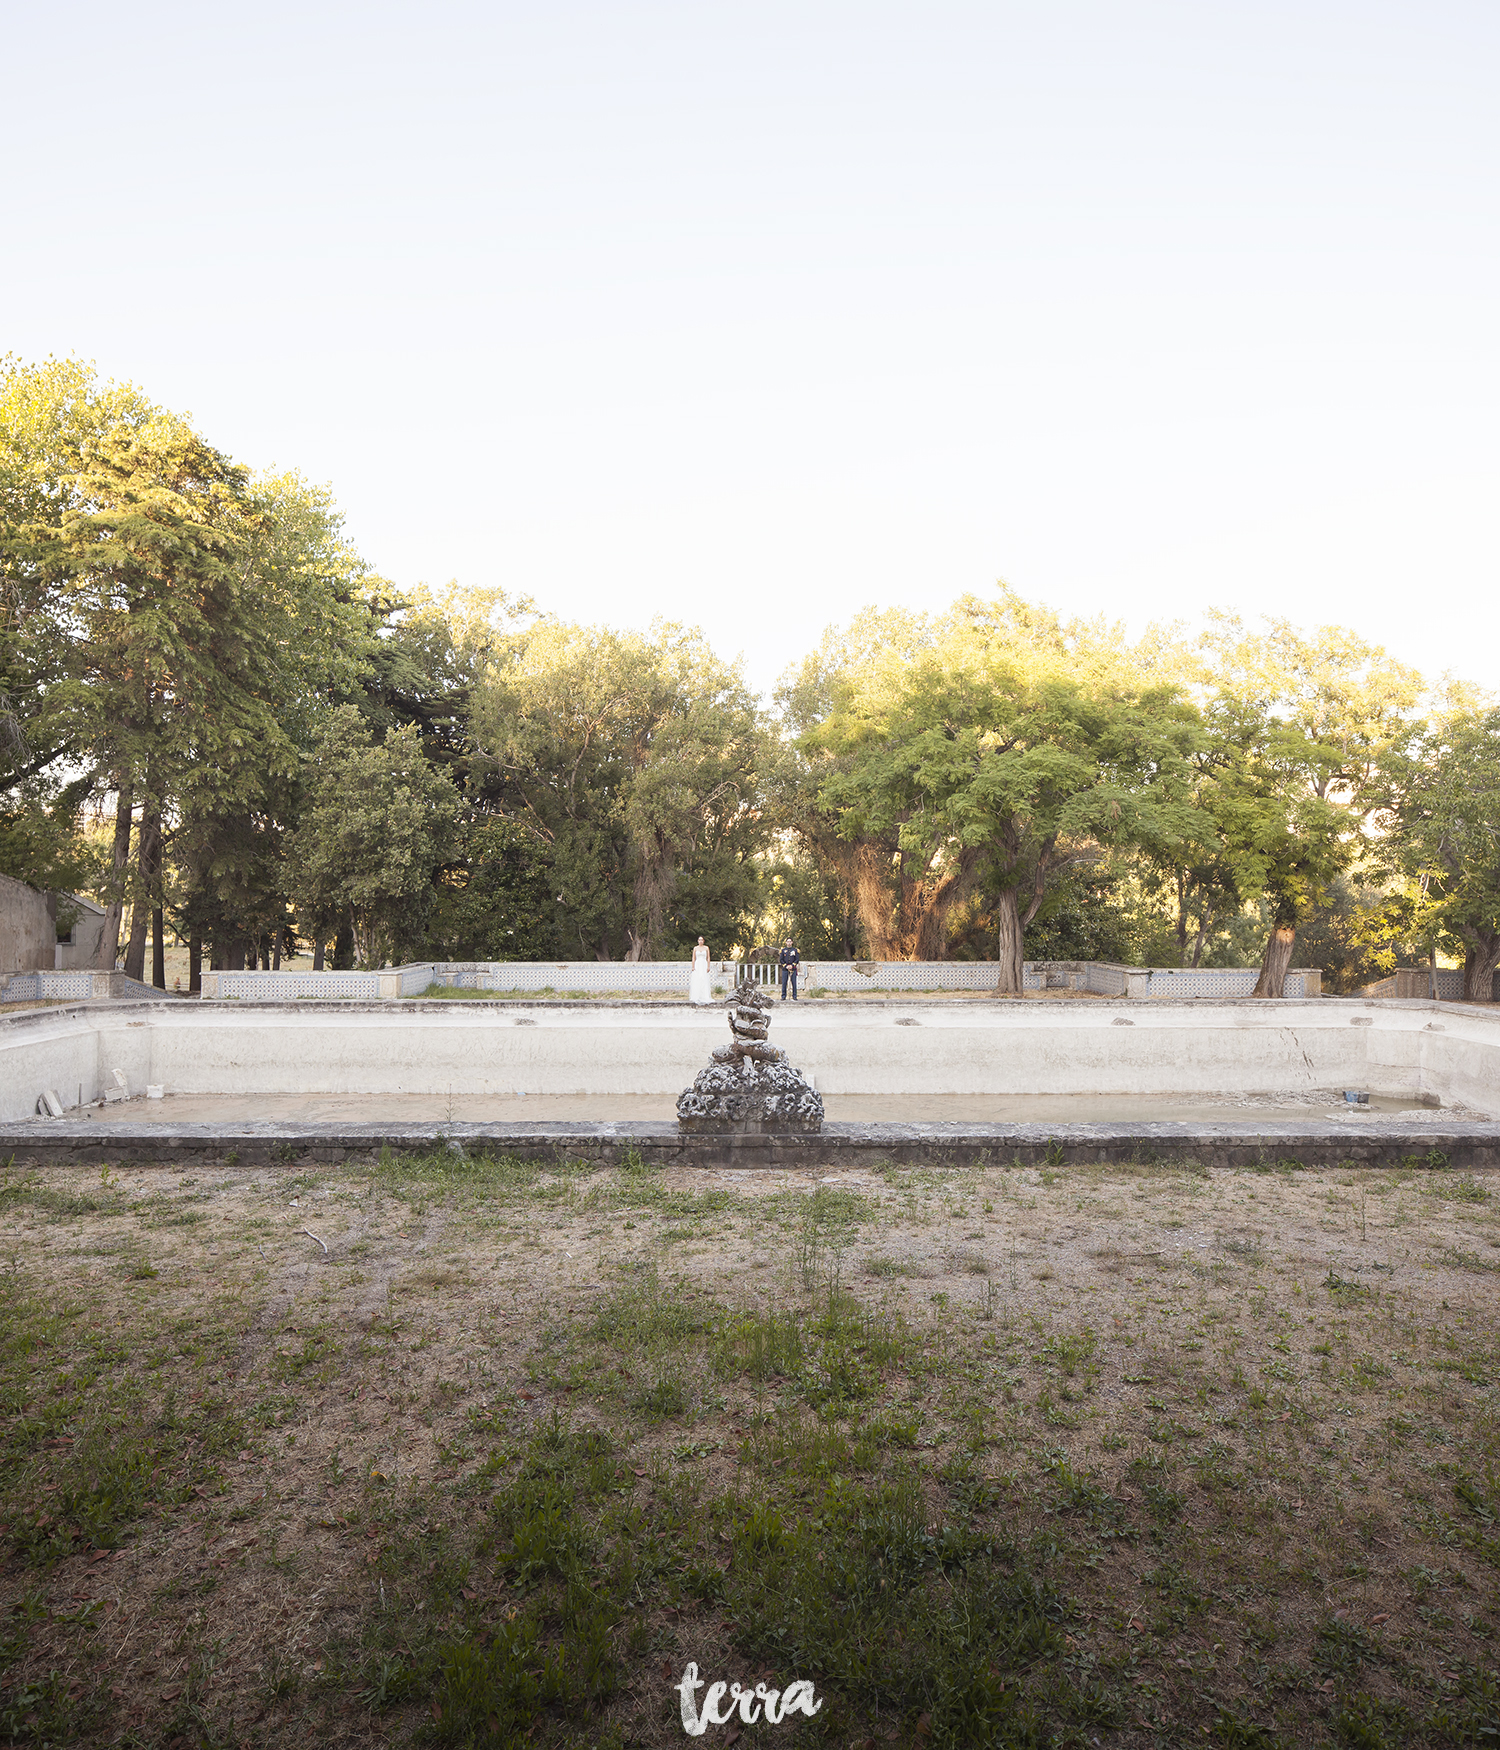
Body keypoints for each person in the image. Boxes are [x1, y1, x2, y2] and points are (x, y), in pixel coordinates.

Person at [689, 936, 713, 1005]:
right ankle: (697, 995)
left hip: (704, 964)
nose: (700, 941)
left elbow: (708, 958)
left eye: (702, 940)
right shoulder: (695, 948)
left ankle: (705, 995)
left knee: (704, 979)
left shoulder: (706, 948)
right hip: (697, 964)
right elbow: (693, 958)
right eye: (699, 940)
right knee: (697, 979)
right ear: (698, 941)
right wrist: (693, 966)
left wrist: (708, 966)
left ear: (703, 941)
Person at [777, 937, 800, 1001]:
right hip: (785, 969)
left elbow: (797, 959)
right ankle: (783, 996)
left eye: (790, 941)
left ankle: (794, 996)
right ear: (786, 942)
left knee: (794, 983)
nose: (789, 943)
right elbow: (781, 960)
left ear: (792, 942)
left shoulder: (795, 950)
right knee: (784, 982)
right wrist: (786, 966)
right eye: (788, 941)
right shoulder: (783, 950)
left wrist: (792, 965)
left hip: (793, 969)